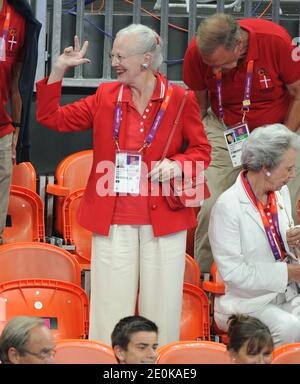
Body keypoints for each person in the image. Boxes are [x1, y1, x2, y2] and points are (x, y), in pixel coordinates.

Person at [36, 24, 211, 346]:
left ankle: (157, 362)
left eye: (120, 55)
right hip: (113, 216)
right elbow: (51, 119)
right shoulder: (105, 96)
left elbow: (202, 151)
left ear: (146, 59)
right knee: (109, 305)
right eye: (112, 54)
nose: (114, 61)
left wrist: (177, 165)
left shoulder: (180, 99)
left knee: (162, 306)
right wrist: (58, 69)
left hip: (165, 219)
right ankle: (108, 359)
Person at [183, 13, 300, 272]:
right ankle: (204, 279)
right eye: (209, 65)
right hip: (224, 127)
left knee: (282, 207)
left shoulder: (275, 41)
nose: (214, 71)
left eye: (220, 65)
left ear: (238, 46)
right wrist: (194, 144)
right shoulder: (197, 51)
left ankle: (286, 277)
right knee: (211, 203)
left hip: (279, 128)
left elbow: (298, 93)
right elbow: (198, 104)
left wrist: (281, 141)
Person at [208, 124, 300, 346]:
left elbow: (277, 242)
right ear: (266, 166)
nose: (293, 175)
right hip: (245, 302)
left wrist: (292, 242)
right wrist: (289, 272)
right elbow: (234, 273)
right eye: (288, 169)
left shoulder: (281, 192)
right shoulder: (227, 207)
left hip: (284, 294)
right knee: (290, 328)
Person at [0, 0, 41, 245]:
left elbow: (18, 81)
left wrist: (16, 127)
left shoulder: (19, 17)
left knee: (4, 176)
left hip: (3, 126)